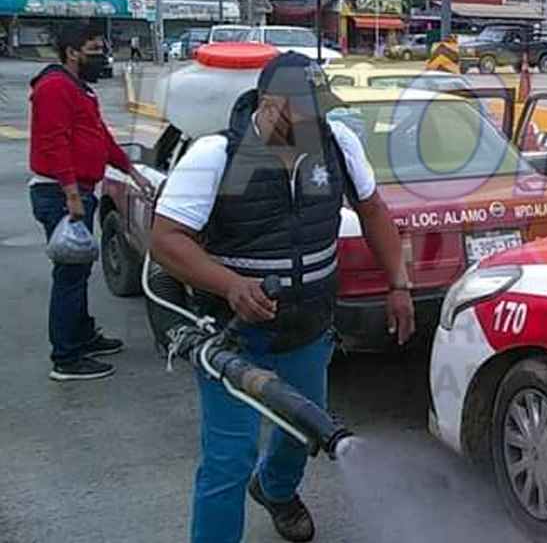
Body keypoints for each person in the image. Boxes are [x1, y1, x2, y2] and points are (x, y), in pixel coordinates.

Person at [150, 52, 416, 543]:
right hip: (232, 337)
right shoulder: (216, 156)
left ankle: (274, 489)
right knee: (229, 458)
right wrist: (230, 285)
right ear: (271, 107)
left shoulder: (338, 145)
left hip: (307, 326)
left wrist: (397, 284)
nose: (319, 121)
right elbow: (166, 239)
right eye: (307, 112)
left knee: (303, 431)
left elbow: (374, 210)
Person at [29, 22, 153, 381]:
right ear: (72, 52)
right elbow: (54, 143)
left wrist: (132, 171)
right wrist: (70, 193)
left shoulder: (78, 88)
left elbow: (99, 136)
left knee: (79, 271)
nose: (102, 59)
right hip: (61, 193)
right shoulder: (54, 87)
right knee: (69, 274)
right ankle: (66, 358)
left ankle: (82, 336)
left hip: (77, 190)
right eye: (95, 51)